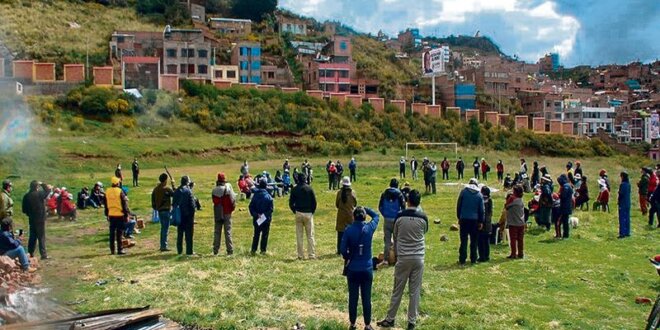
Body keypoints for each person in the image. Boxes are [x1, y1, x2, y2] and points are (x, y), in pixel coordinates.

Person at [377, 190, 428, 330]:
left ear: (407, 201)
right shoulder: (423, 217)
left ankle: (390, 318)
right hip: (418, 257)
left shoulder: (400, 217)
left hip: (404, 257)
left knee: (397, 290)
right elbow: (424, 231)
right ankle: (412, 321)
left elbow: (396, 235)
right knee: (415, 291)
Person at [341, 207, 380, 330]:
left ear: (353, 216)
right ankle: (367, 324)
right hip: (367, 268)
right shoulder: (369, 228)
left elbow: (342, 249)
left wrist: (348, 256)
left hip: (353, 268)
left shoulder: (348, 230)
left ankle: (352, 324)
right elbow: (376, 216)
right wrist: (366, 209)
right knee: (366, 298)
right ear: (364, 217)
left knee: (353, 298)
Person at [456, 178, 484, 264]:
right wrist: (480, 221)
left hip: (464, 219)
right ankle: (473, 258)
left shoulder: (463, 192)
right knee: (474, 241)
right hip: (474, 220)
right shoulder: (479, 195)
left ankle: (462, 259)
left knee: (463, 240)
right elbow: (481, 210)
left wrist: (459, 217)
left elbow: (459, 205)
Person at [289, 173, 317, 260]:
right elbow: (314, 202)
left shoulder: (295, 189)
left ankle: (300, 255)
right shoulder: (309, 188)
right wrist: (312, 211)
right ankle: (311, 255)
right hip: (308, 213)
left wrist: (294, 210)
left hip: (298, 212)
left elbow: (290, 203)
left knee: (299, 235)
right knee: (310, 235)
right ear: (305, 179)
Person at [378, 178, 406, 264]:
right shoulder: (399, 194)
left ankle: (386, 259)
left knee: (387, 240)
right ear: (397, 185)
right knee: (396, 239)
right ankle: (397, 259)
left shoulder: (384, 193)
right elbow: (404, 207)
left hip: (387, 219)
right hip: (396, 219)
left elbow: (380, 206)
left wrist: (384, 214)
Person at [21, 181, 51, 260]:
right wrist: (42, 183)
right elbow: (48, 190)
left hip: (31, 219)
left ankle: (30, 254)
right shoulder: (40, 194)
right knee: (41, 237)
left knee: (32, 237)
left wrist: (29, 214)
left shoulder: (26, 196)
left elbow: (24, 210)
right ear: (37, 187)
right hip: (40, 219)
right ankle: (43, 255)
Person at [104, 176, 130, 255]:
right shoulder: (120, 191)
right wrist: (126, 214)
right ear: (117, 183)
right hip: (119, 214)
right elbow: (124, 204)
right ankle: (120, 249)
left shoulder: (107, 191)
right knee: (119, 233)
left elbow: (105, 203)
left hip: (111, 214)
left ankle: (112, 250)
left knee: (112, 233)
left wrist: (107, 214)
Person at [212, 173, 236, 256]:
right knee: (228, 232)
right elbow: (232, 201)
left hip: (218, 212)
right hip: (227, 212)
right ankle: (230, 250)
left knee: (217, 232)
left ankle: (215, 250)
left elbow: (214, 202)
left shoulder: (214, 190)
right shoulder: (228, 190)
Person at [249, 177, 274, 255]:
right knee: (265, 235)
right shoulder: (269, 197)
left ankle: (253, 249)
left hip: (257, 218)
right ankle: (263, 250)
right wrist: (264, 215)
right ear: (266, 186)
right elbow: (271, 209)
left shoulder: (255, 196)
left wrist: (256, 214)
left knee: (256, 234)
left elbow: (251, 206)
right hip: (266, 219)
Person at [173, 176, 197, 255]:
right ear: (187, 182)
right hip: (188, 216)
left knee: (180, 234)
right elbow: (192, 204)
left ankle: (179, 250)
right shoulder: (188, 191)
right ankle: (189, 251)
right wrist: (193, 214)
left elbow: (174, 203)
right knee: (189, 235)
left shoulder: (176, 191)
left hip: (179, 215)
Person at [152, 173, 174, 252]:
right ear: (165, 180)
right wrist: (173, 184)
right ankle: (163, 246)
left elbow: (153, 202)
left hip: (160, 211)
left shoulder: (155, 189)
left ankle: (162, 244)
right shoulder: (166, 189)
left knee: (163, 228)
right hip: (166, 210)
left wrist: (157, 208)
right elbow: (174, 194)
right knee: (165, 229)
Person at [336, 176, 357, 255]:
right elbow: (355, 203)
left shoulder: (339, 193)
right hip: (350, 215)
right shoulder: (353, 193)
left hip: (341, 215)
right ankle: (350, 248)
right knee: (351, 233)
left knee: (340, 233)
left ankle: (339, 250)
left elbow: (337, 204)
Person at [478, 187, 492, 262]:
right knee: (487, 241)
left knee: (480, 241)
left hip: (482, 223)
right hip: (488, 223)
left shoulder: (481, 200)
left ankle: (482, 256)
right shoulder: (490, 200)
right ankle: (487, 256)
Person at [556, 174, 573, 239]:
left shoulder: (566, 186)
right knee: (565, 221)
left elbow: (564, 195)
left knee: (564, 222)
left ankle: (565, 235)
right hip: (567, 206)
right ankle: (565, 235)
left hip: (565, 206)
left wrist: (559, 195)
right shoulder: (568, 185)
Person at [618, 171, 631, 238]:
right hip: (628, 203)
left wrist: (619, 201)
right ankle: (627, 232)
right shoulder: (628, 184)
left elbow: (621, 194)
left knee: (622, 218)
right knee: (627, 217)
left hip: (623, 203)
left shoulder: (622, 184)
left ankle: (622, 233)